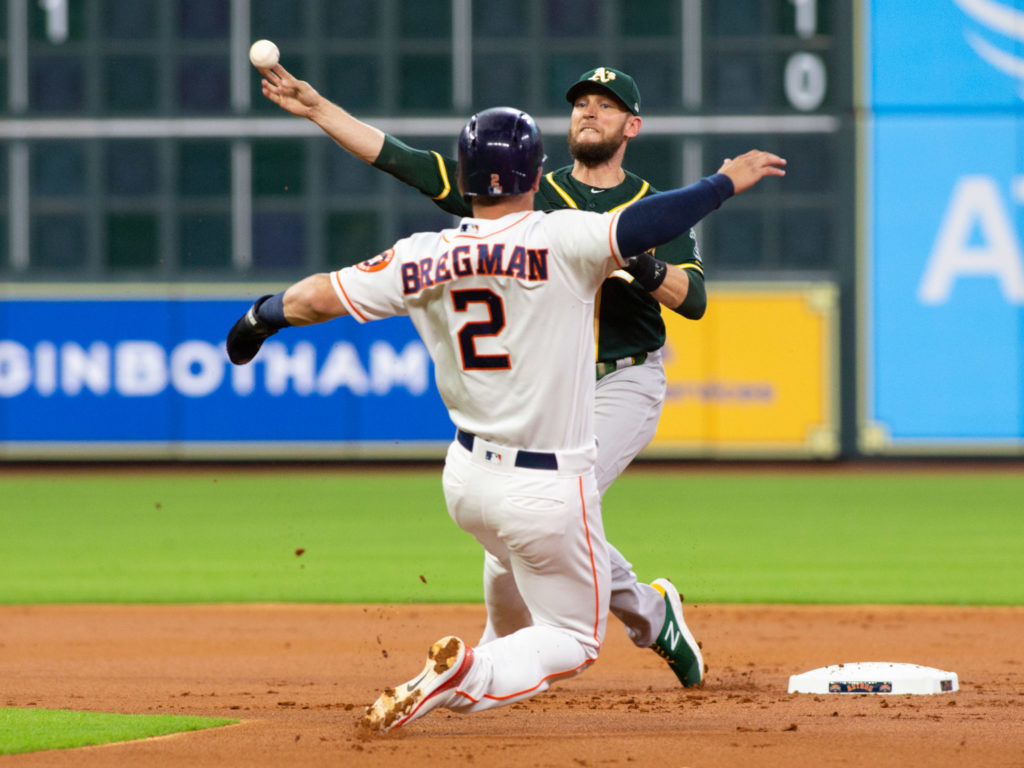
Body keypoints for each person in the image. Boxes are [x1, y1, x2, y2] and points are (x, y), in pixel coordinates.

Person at [226, 106, 786, 731]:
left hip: (466, 482)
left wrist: (259, 319)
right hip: (546, 485)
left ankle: (499, 649)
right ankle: (471, 671)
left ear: (463, 178)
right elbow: (649, 221)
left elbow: (314, 298)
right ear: (538, 174)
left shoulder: (419, 254)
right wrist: (723, 183)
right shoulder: (562, 238)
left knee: (513, 563)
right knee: (574, 637)